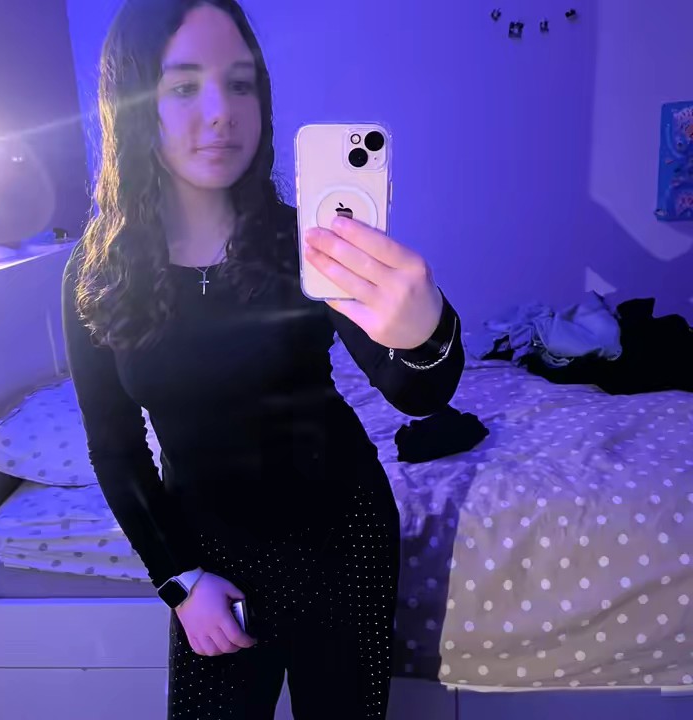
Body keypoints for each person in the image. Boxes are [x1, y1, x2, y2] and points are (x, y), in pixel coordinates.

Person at [62, 1, 464, 718]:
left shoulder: (303, 241)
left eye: (241, 83)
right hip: (210, 559)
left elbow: (415, 393)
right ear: (134, 103)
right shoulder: (98, 272)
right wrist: (180, 581)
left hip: (344, 538)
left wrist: (427, 330)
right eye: (185, 85)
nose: (221, 111)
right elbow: (115, 450)